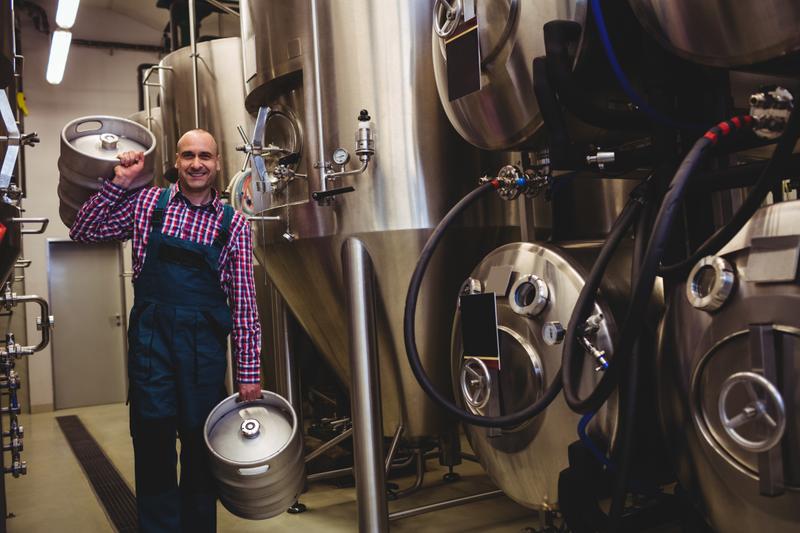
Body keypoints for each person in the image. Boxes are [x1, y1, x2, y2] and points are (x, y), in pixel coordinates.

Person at [70, 129, 262, 532]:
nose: (196, 163)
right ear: (176, 161)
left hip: (203, 358)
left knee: (199, 451)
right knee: (153, 447)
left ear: (217, 163)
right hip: (151, 350)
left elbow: (244, 305)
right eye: (189, 155)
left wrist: (249, 373)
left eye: (205, 156)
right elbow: (83, 231)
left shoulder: (235, 226)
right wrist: (119, 182)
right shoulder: (146, 204)